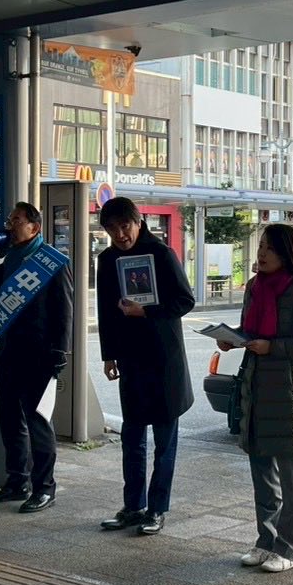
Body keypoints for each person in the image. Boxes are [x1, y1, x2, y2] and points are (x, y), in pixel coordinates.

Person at [221, 223, 293, 573]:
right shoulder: (254, 286)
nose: (261, 253)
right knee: (262, 474)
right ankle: (266, 541)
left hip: (291, 395)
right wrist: (232, 339)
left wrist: (272, 347)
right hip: (257, 388)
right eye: (260, 246)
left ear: (287, 253)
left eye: (269, 248)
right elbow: (249, 331)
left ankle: (291, 548)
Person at [95, 197, 196, 536]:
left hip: (164, 360)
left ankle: (157, 508)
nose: (120, 234)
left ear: (138, 222)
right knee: (132, 438)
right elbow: (106, 313)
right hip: (131, 359)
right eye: (112, 228)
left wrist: (146, 311)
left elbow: (185, 300)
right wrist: (108, 355)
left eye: (125, 225)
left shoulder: (163, 254)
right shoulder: (107, 260)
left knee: (165, 442)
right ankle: (132, 505)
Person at [0, 202, 73, 513]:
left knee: (37, 420)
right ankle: (16, 480)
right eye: (10, 219)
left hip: (40, 353)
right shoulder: (6, 254)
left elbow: (64, 310)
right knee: (9, 417)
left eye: (16, 220)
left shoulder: (51, 261)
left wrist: (60, 351)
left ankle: (44, 487)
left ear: (35, 227)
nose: (10, 224)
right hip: (7, 349)